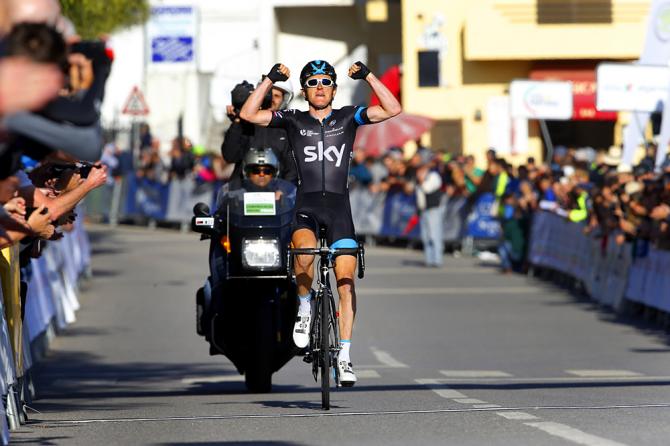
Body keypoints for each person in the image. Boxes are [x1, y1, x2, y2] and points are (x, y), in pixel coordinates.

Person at [240, 59, 401, 386]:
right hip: (307, 206)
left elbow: (393, 107)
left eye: (326, 81)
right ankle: (303, 306)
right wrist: (270, 80)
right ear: (303, 91)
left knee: (345, 280)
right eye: (312, 83)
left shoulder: (348, 117)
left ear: (334, 88)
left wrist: (368, 75)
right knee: (304, 253)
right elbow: (247, 114)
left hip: (339, 209)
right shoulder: (293, 119)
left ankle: (344, 355)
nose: (319, 87)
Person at [221, 79, 298, 184]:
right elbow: (230, 156)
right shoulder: (245, 124)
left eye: (277, 96)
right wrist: (237, 122)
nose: (271, 99)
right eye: (268, 93)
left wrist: (284, 192)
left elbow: (292, 169)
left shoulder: (288, 130)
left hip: (276, 194)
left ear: (284, 100)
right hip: (243, 193)